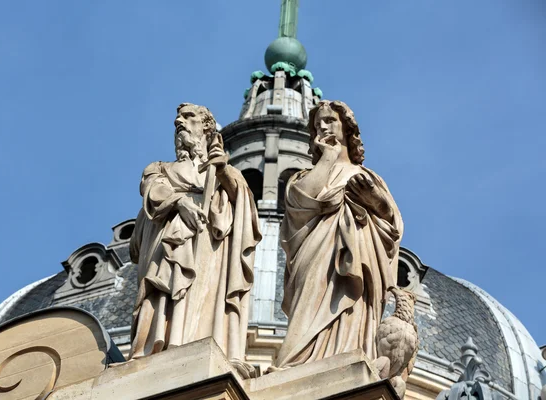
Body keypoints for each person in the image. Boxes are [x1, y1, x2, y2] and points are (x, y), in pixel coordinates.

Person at [129, 103, 261, 374]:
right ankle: (163, 344)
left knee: (205, 297)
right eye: (178, 117)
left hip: (210, 249)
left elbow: (242, 201)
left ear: (206, 127)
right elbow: (153, 190)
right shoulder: (160, 168)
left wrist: (222, 170)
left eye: (189, 117)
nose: (179, 121)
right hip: (171, 243)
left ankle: (200, 341)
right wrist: (179, 202)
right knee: (166, 294)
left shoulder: (222, 171)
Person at [273, 100, 403, 369]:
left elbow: (393, 226)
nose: (323, 126)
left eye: (330, 120)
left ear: (347, 128)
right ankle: (299, 359)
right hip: (316, 253)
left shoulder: (366, 176)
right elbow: (300, 202)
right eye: (317, 123)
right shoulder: (304, 176)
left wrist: (375, 200)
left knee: (351, 310)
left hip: (358, 252)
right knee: (310, 304)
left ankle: (346, 355)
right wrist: (328, 159)